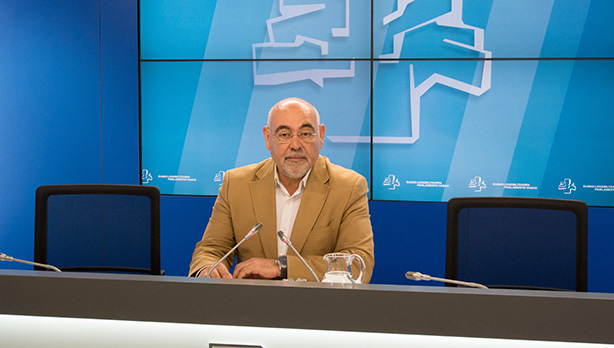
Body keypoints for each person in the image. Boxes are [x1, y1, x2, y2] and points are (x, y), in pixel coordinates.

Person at [189, 97, 374, 282]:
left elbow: (359, 266)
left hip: (318, 306)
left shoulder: (349, 187)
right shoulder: (237, 184)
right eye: (284, 135)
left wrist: (281, 267)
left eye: (306, 134)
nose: (295, 145)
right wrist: (207, 267)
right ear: (268, 138)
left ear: (321, 136)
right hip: (251, 306)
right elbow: (210, 250)